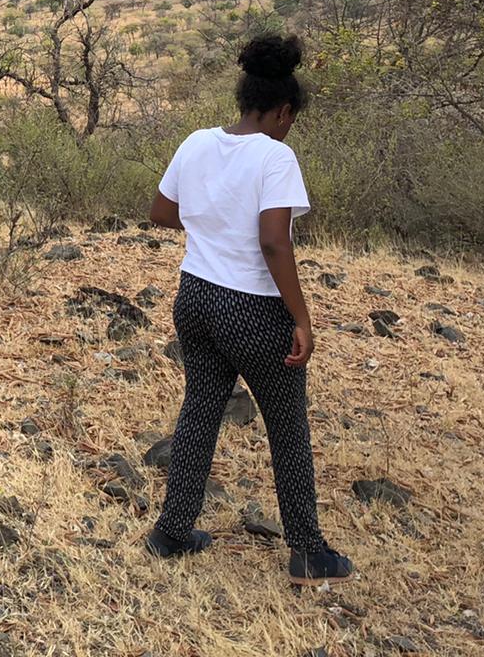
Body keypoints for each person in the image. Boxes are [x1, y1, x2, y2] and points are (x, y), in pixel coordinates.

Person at [143, 34, 355, 588]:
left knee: (200, 409)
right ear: (284, 110)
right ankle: (308, 552)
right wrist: (302, 319)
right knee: (287, 425)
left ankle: (173, 532)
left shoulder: (196, 142)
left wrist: (212, 223)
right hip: (252, 307)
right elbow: (274, 243)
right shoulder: (275, 155)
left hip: (195, 295)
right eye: (291, 119)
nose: (289, 128)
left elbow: (162, 212)